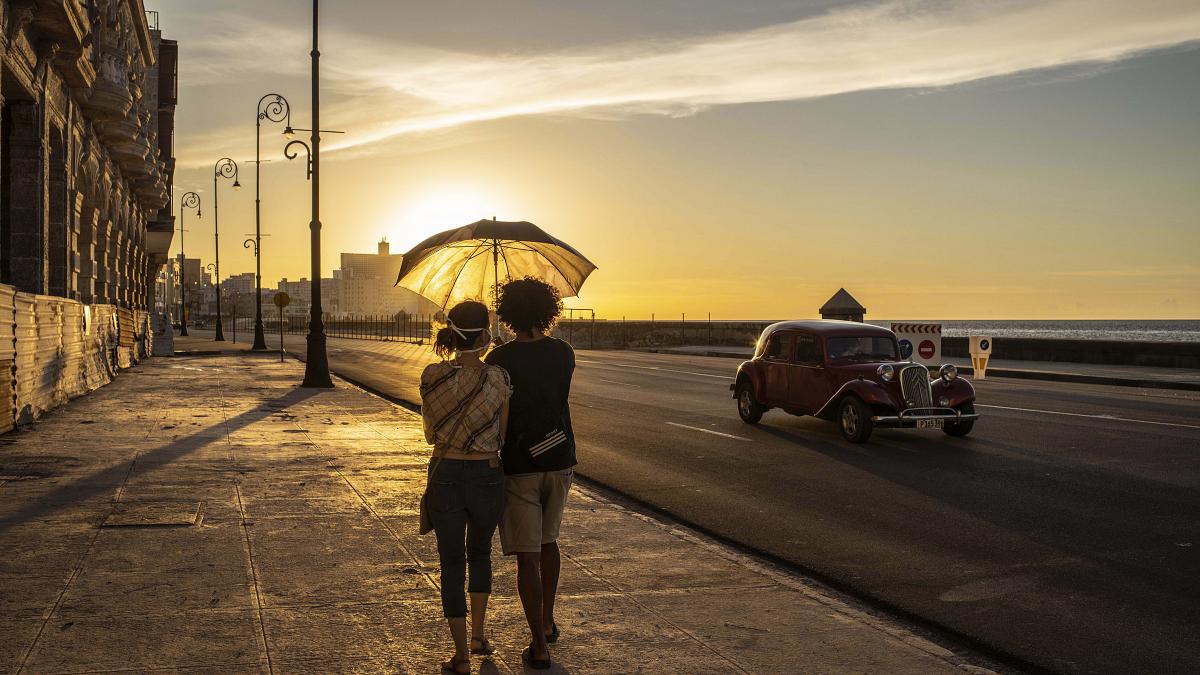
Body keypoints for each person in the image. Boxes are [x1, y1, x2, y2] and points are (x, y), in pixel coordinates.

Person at [484, 278, 576, 670]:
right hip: (559, 457)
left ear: (508, 314)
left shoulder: (498, 360)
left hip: (520, 465)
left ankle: (538, 644)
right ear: (547, 310)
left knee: (526, 554)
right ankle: (550, 620)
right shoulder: (563, 352)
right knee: (549, 543)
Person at [419, 300, 511, 675]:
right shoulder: (499, 378)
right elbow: (502, 437)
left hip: (445, 474)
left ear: (453, 334)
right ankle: (479, 635)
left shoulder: (431, 375)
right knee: (481, 555)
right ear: (486, 335)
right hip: (487, 474)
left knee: (451, 563)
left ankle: (459, 655)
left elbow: (428, 434)